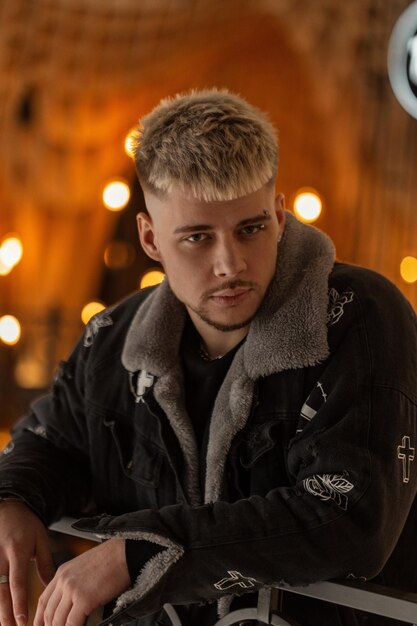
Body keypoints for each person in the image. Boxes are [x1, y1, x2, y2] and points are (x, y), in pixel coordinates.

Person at [0, 89, 416, 626]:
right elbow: (51, 441)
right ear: (150, 238)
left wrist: (142, 552)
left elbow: (352, 522)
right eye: (197, 237)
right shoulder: (109, 338)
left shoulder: (365, 316)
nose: (230, 264)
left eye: (251, 228)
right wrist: (12, 498)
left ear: (281, 216)